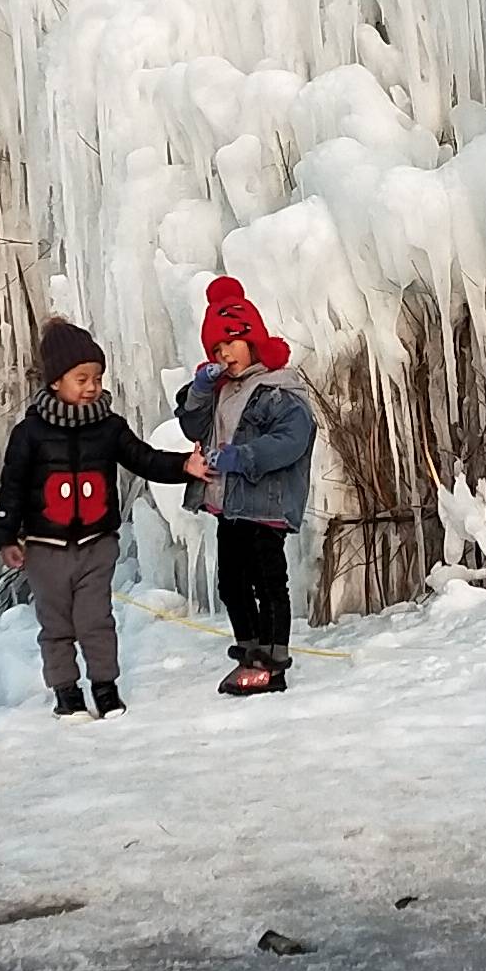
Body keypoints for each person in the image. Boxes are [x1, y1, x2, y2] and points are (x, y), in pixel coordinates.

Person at [0, 318, 195, 719]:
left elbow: (143, 459)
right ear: (55, 382)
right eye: (81, 378)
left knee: (96, 619)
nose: (91, 387)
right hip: (46, 549)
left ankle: (105, 688)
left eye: (97, 378)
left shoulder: (109, 427)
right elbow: (11, 488)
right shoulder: (29, 433)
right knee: (57, 625)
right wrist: (6, 536)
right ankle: (66, 693)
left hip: (96, 545)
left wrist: (184, 465)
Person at [179, 278, 318, 697]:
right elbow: (192, 426)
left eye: (231, 344)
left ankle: (273, 663)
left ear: (252, 339)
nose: (224, 355)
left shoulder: (277, 389)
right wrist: (200, 391)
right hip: (231, 505)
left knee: (268, 580)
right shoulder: (221, 392)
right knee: (231, 582)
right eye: (216, 350)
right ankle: (250, 651)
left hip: (266, 503)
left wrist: (243, 457)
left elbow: (293, 439)